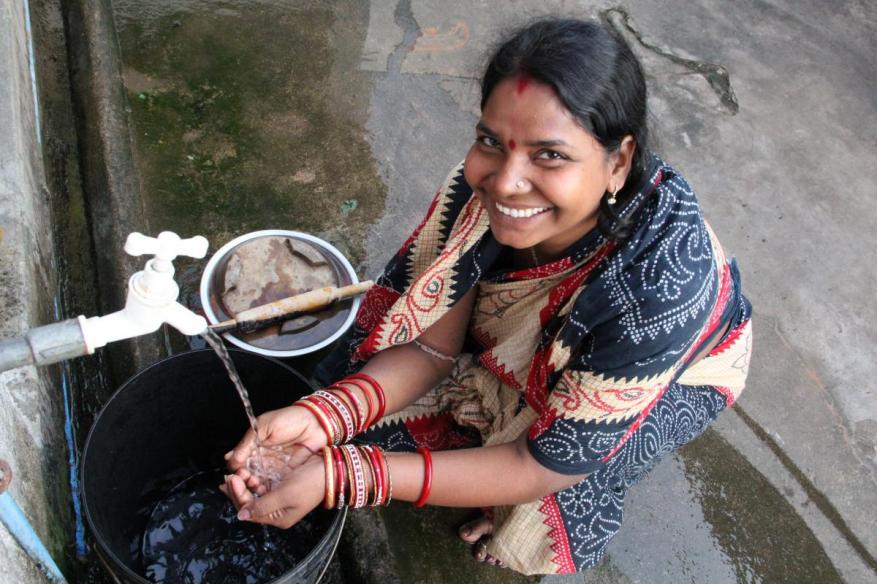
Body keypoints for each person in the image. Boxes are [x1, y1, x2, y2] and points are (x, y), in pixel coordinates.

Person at [221, 17, 753, 575]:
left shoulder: (661, 288)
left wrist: (349, 475)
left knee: (555, 483)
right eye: (490, 142)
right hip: (532, 350)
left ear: (618, 161)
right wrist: (325, 416)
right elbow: (431, 350)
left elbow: (542, 462)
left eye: (550, 155)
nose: (505, 182)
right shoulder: (479, 194)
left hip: (684, 376)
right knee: (373, 422)